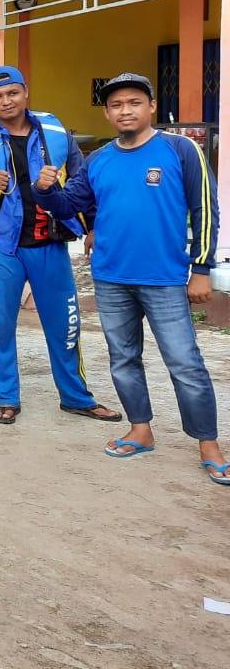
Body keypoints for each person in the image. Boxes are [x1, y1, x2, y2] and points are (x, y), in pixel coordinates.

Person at [33, 72, 228, 484]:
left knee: (185, 363)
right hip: (111, 277)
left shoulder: (181, 149)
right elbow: (71, 205)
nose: (125, 111)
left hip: (165, 278)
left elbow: (205, 210)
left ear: (151, 106)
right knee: (123, 358)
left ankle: (208, 444)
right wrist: (46, 191)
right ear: (107, 113)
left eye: (134, 102)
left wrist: (201, 269)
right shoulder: (99, 160)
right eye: (116, 105)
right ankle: (141, 429)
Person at [0, 67, 119, 426]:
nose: (6, 101)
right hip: (1, 247)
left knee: (65, 326)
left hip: (50, 243)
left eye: (12, 93)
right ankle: (6, 397)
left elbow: (83, 183)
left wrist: (92, 227)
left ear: (25, 91)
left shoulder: (56, 133)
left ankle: (76, 397)